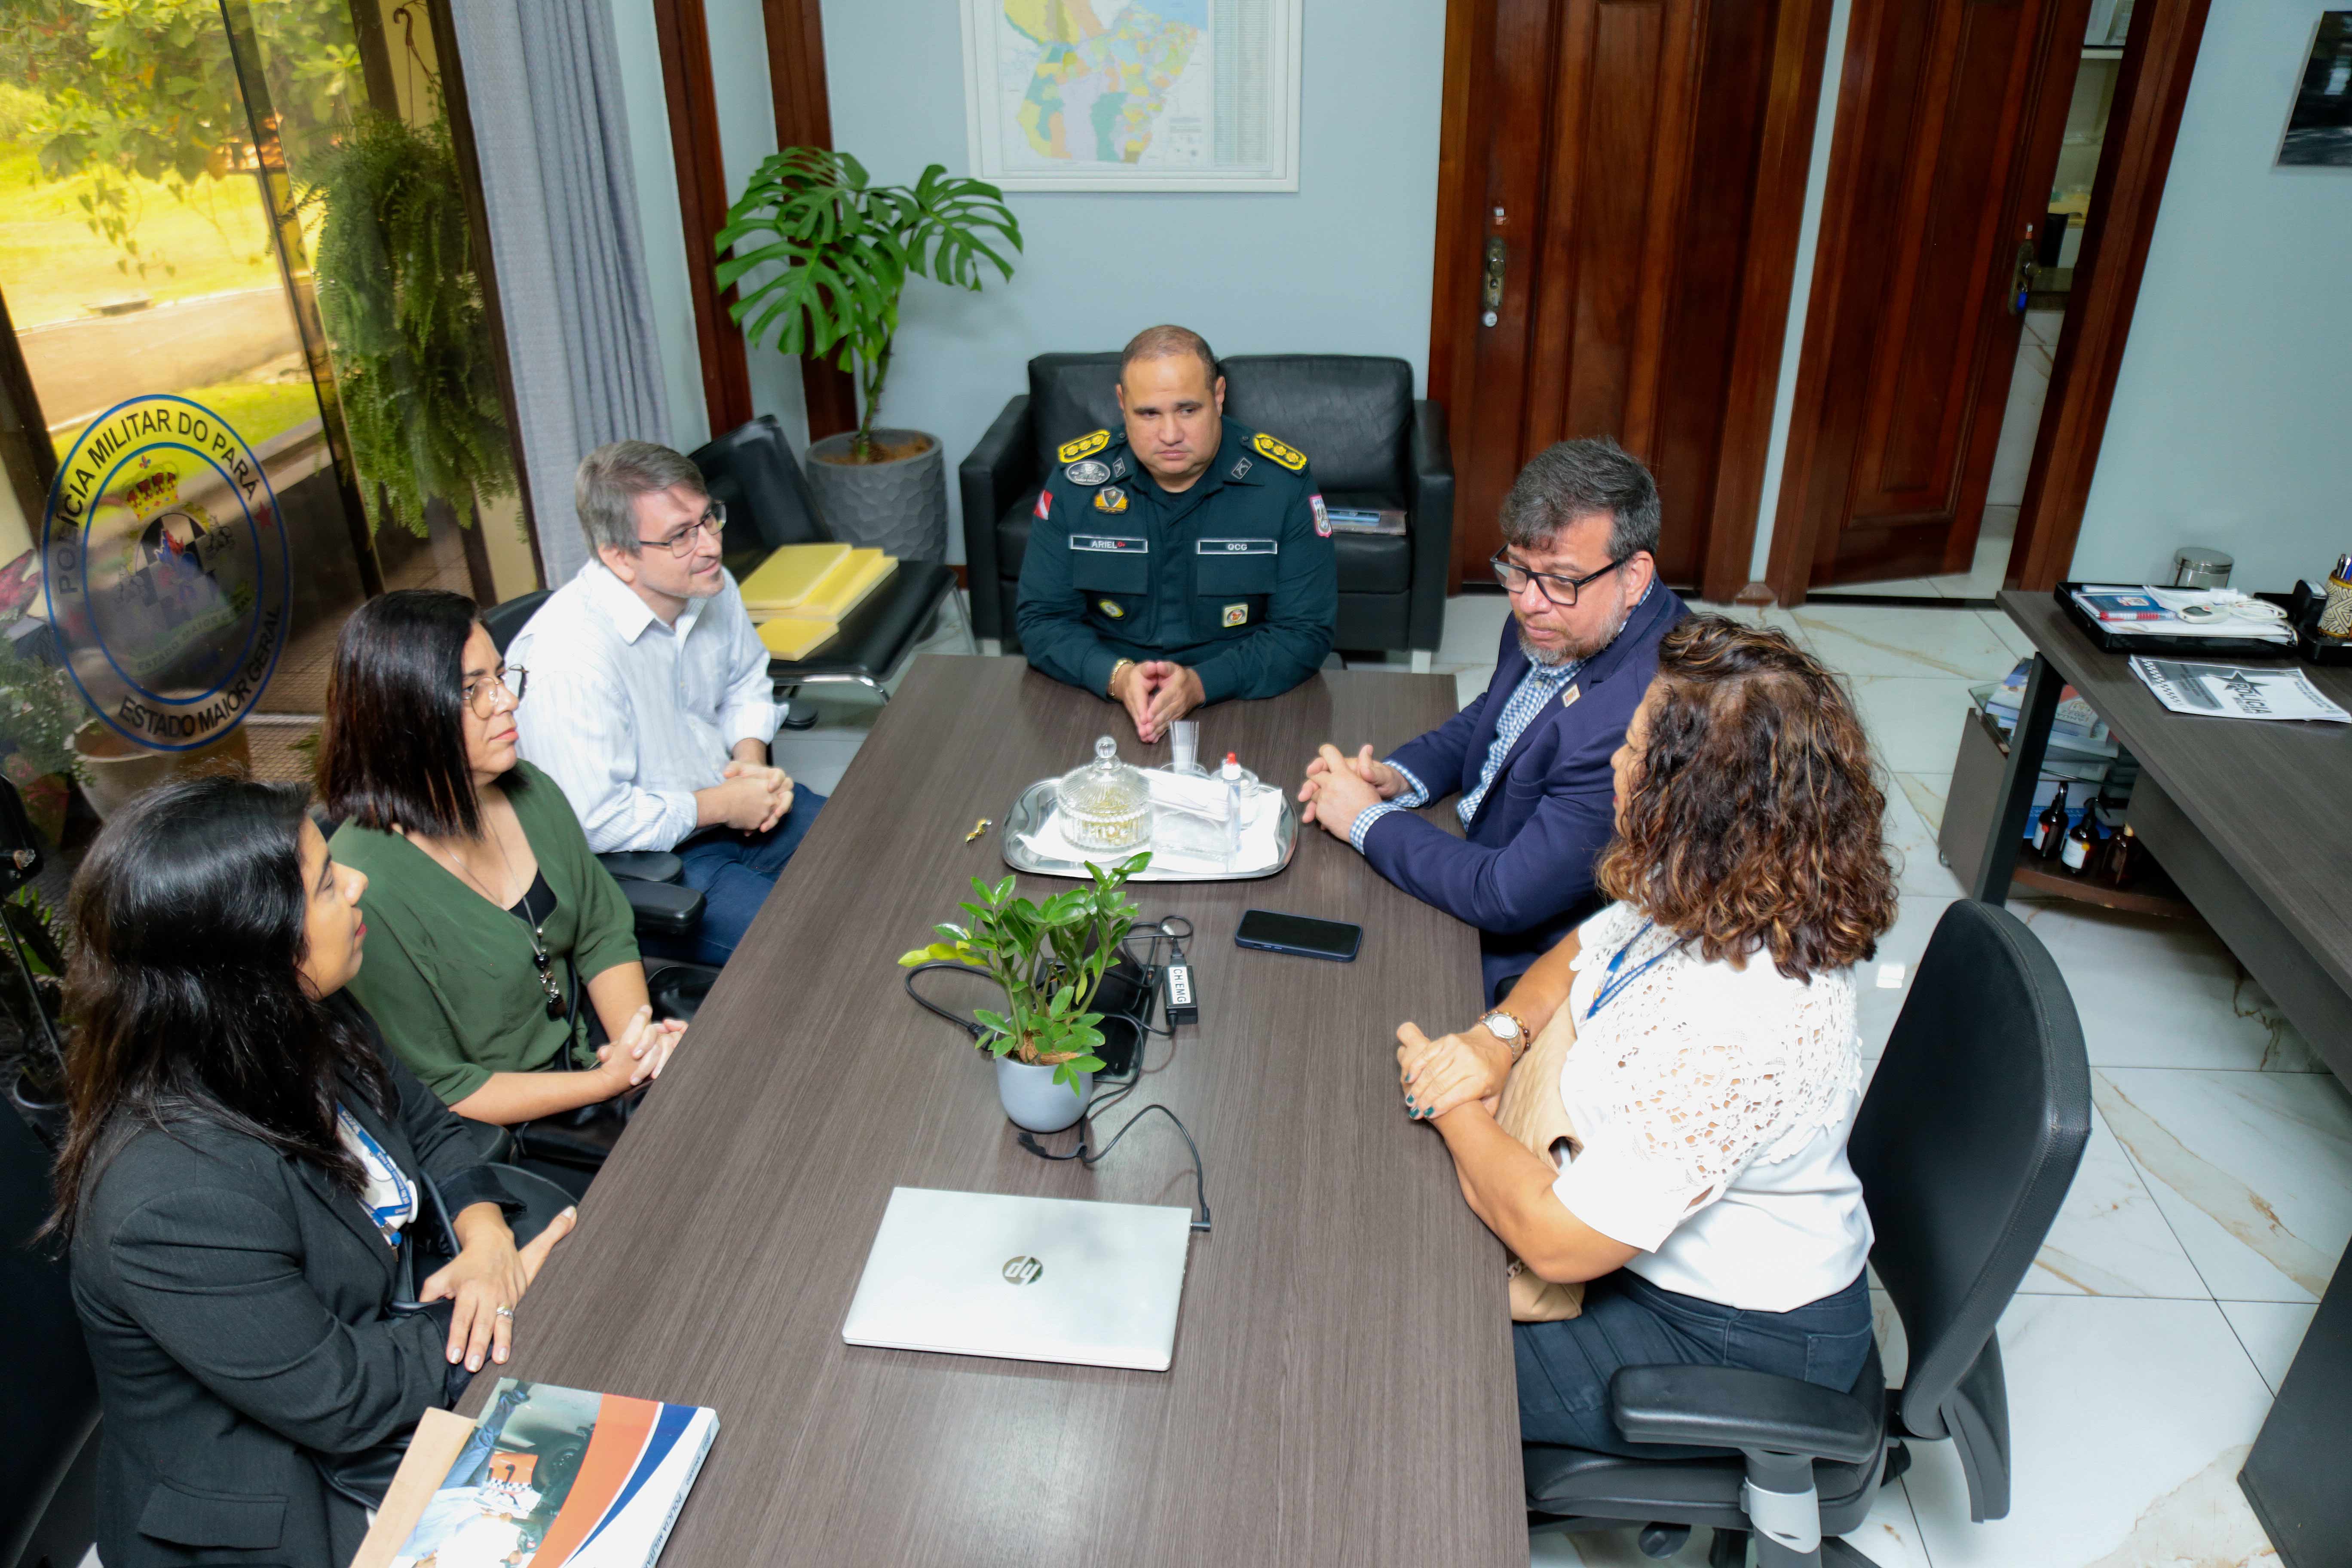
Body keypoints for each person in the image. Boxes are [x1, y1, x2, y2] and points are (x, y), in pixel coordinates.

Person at [1391, 615, 1898, 1457]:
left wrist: (1452, 1104)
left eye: (1632, 752)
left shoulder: (1744, 1022)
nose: (1615, 766)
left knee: (1409, 1356)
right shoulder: (1734, 877)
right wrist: (1496, 1039)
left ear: (1695, 802)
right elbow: (1582, 951)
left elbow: (1556, 1243)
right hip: (1632, 1241)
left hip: (1724, 1337)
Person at [52, 775, 577, 1568]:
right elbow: (341, 1397)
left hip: (394, 1355)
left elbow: (429, 1124)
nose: (357, 881)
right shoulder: (169, 1196)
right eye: (327, 882)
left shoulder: (300, 1012)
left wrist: (485, 1239)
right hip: (286, 1505)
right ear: (251, 946)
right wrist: (489, 1307)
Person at [1298, 438, 1685, 1003]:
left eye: (1561, 579)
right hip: (1471, 857)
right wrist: (1399, 778)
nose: (1528, 603)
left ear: (1634, 576)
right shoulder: (1561, 615)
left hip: (1535, 953)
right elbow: (1501, 713)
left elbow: (1507, 897)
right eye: (1517, 570)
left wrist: (1365, 819)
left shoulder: (1638, 719)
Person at [321, 589, 684, 1122]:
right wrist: (608, 1082)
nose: (507, 700)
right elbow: (447, 1087)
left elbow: (602, 931)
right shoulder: (362, 887)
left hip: (598, 1054)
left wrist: (639, 1045)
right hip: (522, 1123)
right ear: (404, 715)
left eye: (501, 676)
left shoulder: (526, 788)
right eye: (474, 690)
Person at [505, 441, 821, 965]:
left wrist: (749, 764)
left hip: (734, 804)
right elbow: (597, 821)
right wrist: (723, 804)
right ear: (619, 556)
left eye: (708, 519)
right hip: (650, 864)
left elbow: (745, 680)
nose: (711, 546)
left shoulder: (708, 584)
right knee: (819, 945)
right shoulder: (568, 662)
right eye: (680, 536)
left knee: (880, 854)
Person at [1015, 325, 1338, 742]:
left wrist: (1202, 684)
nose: (1170, 435)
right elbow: (1043, 619)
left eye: (1188, 410)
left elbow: (1305, 631)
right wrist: (1117, 677)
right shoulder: (1077, 482)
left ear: (1218, 396)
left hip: (1241, 697)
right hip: (1104, 696)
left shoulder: (1282, 485)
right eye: (1149, 414)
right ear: (1122, 403)